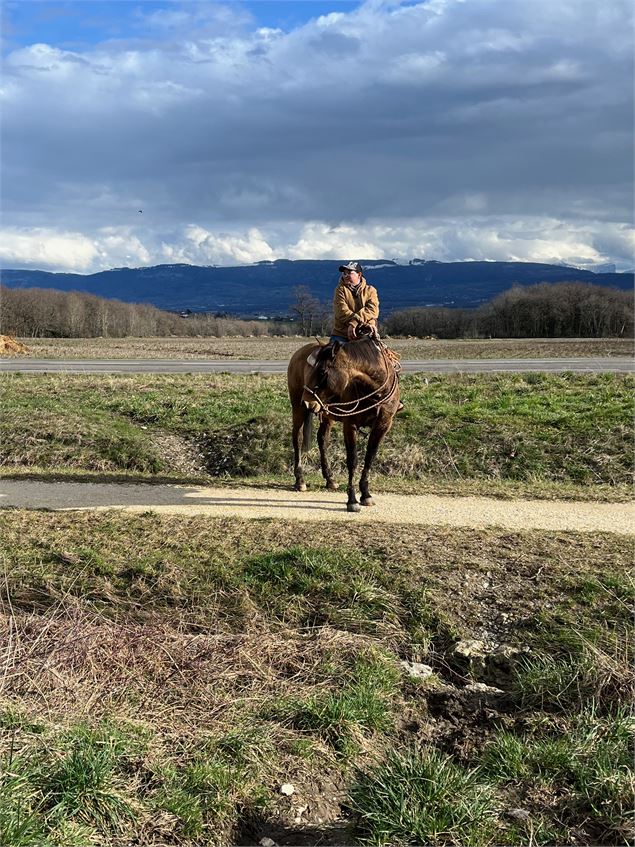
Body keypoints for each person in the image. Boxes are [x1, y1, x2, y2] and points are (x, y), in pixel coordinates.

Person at [331, 261, 379, 344]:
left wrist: (354, 323)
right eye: (344, 273)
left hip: (365, 331)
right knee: (332, 354)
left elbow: (372, 310)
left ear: (359, 274)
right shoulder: (340, 290)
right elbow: (341, 311)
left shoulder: (371, 290)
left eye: (349, 273)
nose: (345, 276)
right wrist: (356, 322)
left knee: (379, 354)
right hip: (342, 333)